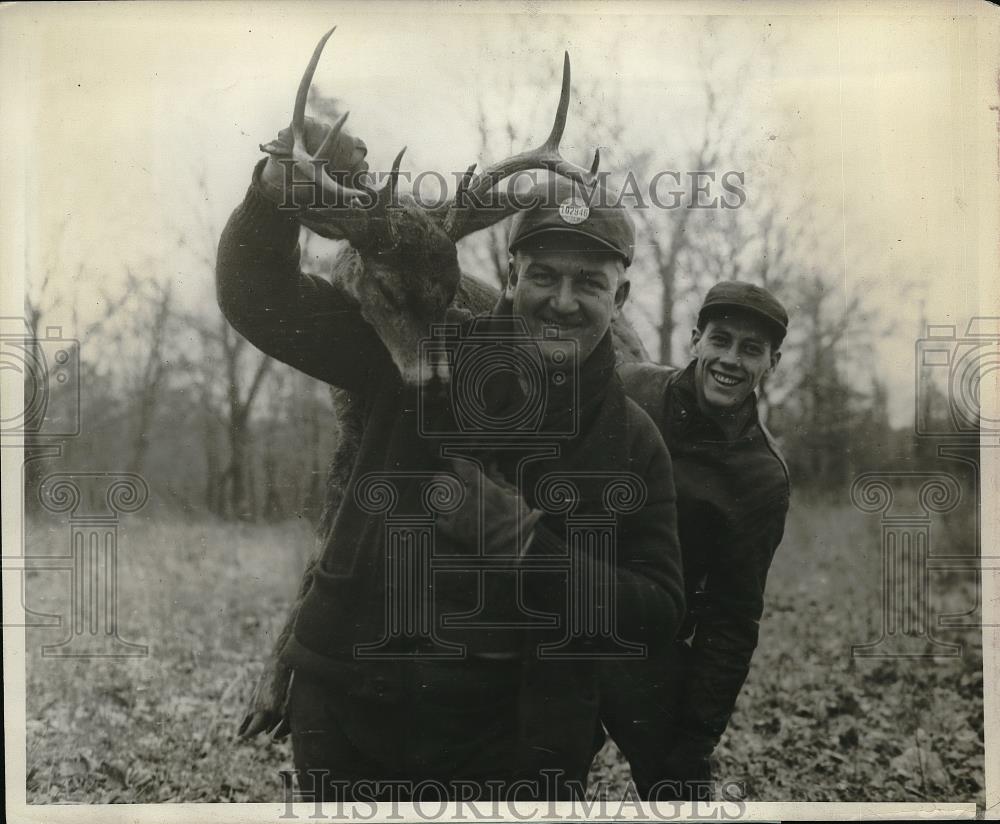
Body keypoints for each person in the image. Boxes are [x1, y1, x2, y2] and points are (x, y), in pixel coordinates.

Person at [216, 115, 685, 801]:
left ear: (620, 298)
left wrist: (526, 545)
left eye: (588, 282)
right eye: (543, 274)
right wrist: (270, 195)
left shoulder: (632, 439)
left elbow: (657, 611)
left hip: (513, 748)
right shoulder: (423, 349)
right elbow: (260, 299)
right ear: (511, 276)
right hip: (347, 720)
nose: (562, 300)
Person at [601, 280, 791, 800]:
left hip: (646, 641)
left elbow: (732, 620)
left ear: (771, 363)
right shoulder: (631, 388)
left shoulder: (762, 477)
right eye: (720, 339)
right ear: (695, 340)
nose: (730, 359)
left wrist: (695, 740)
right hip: (563, 620)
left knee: (678, 788)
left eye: (751, 349)